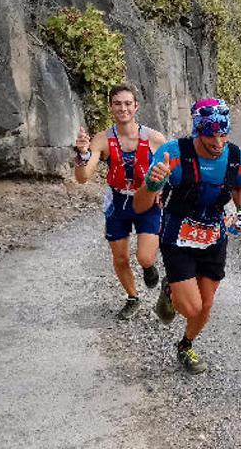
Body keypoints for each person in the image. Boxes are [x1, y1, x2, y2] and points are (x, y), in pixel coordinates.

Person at [134, 98, 241, 374]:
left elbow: (239, 186)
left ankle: (185, 345)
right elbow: (140, 205)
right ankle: (171, 289)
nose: (218, 141)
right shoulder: (172, 154)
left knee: (205, 305)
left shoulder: (237, 157)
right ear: (198, 130)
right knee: (191, 308)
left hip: (214, 237)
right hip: (178, 238)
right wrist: (152, 183)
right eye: (211, 134)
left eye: (223, 133)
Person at [73, 83, 167, 320]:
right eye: (117, 104)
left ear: (136, 106)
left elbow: (170, 170)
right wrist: (83, 154)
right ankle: (133, 297)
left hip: (146, 200)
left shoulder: (155, 138)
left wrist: (162, 189)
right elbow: (83, 178)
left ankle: (148, 267)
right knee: (120, 257)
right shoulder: (102, 139)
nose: (123, 108)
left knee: (145, 256)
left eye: (127, 103)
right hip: (118, 202)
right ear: (111, 108)